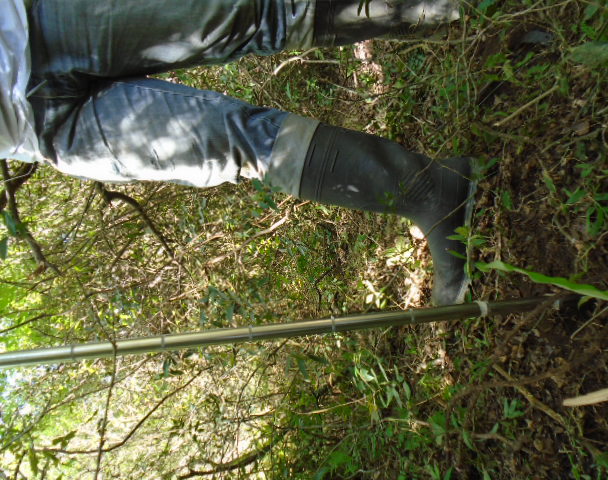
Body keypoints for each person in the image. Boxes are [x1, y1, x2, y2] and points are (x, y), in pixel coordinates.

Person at [1, 0, 476, 306]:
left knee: (255, 16)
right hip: (41, 132)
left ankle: (447, 8)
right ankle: (433, 193)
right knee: (238, 146)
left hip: (31, 18)